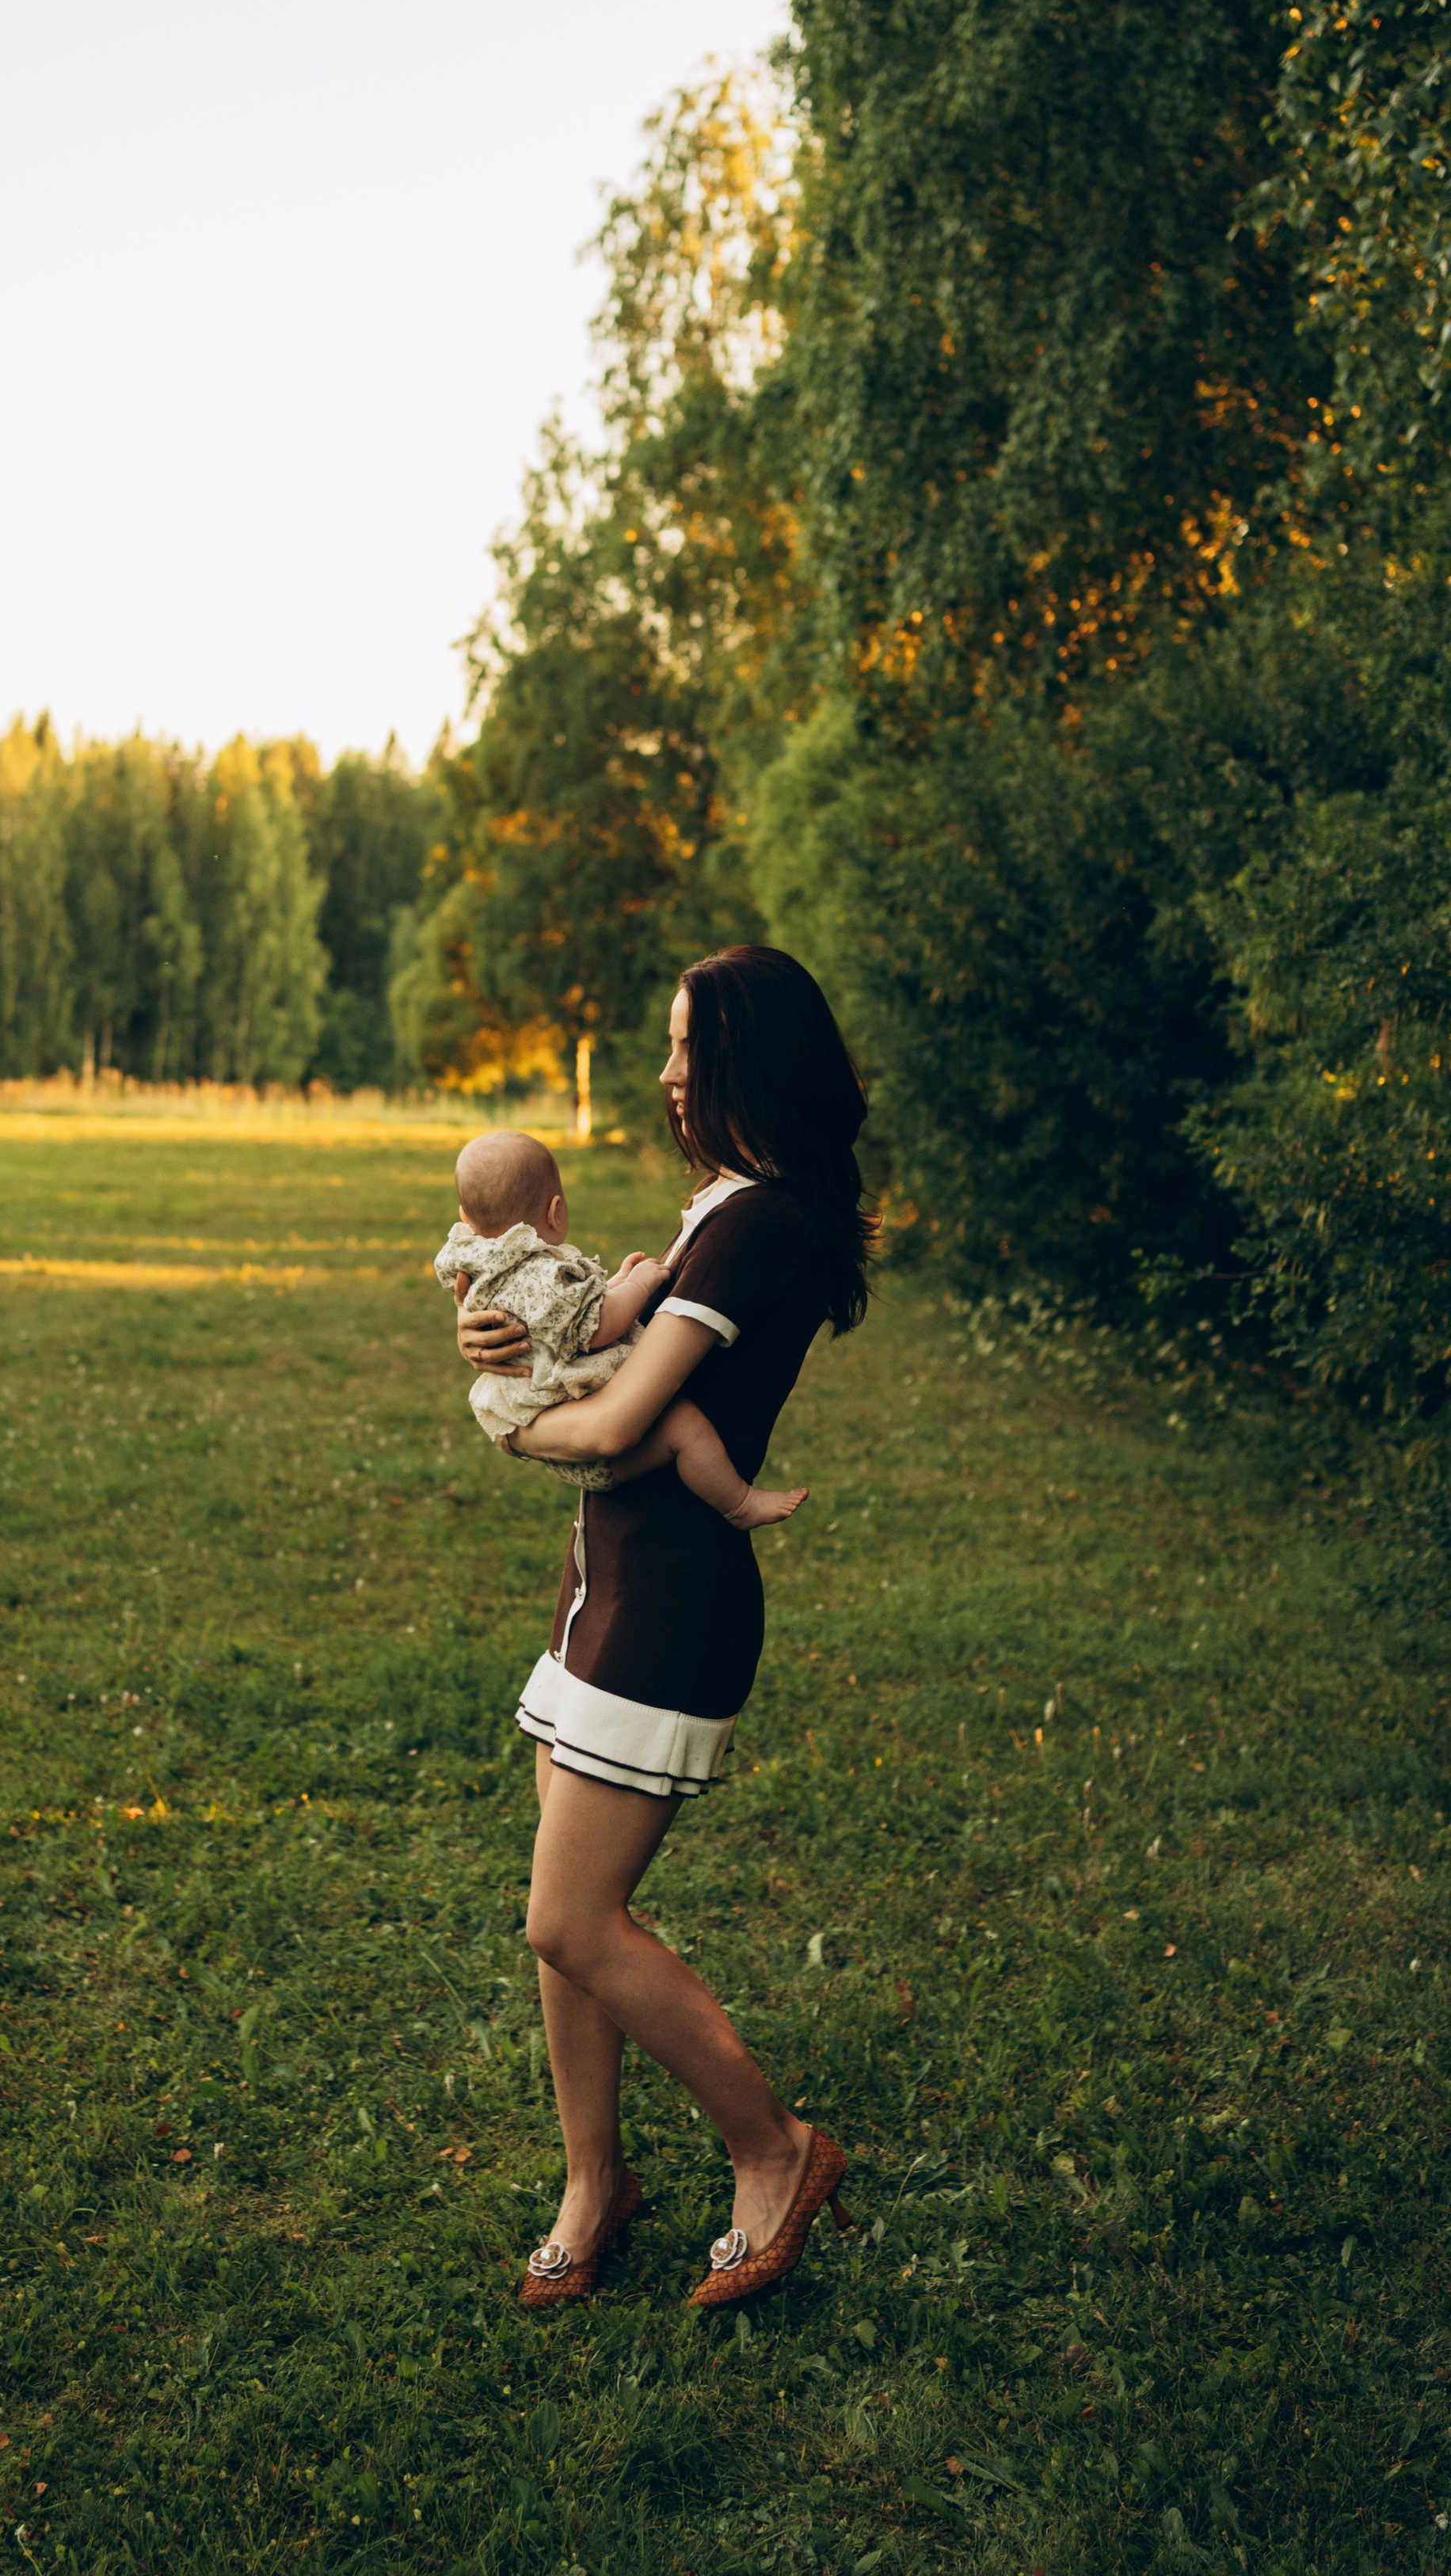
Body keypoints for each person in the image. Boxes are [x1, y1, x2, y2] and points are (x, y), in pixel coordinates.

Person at [456, 946, 874, 2311]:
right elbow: (597, 1344)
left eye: (690, 1046)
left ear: (750, 1058)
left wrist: (516, 1429)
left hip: (673, 1609)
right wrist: (504, 1345)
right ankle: (596, 2183)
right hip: (606, 1586)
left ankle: (778, 2150)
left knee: (571, 1918)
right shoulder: (726, 1207)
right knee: (560, 1926)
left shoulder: (760, 1226)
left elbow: (632, 1421)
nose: (668, 1071)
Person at [433, 1127, 809, 1530]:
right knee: (684, 1428)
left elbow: (563, 1322)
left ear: (465, 1217)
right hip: (585, 1427)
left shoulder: (482, 1267)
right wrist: (639, 1285)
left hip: (541, 1422)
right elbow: (597, 1328)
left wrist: (613, 1286)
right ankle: (738, 1503)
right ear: (556, 1211)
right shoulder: (543, 1275)